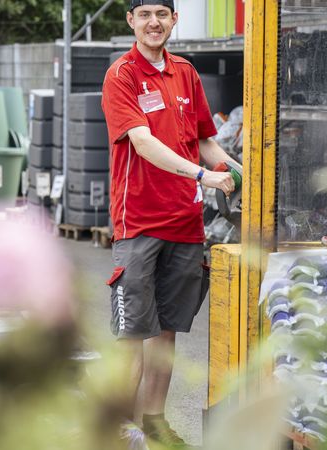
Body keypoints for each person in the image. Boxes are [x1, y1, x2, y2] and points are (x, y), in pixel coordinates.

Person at [101, 0, 239, 448]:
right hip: (139, 224)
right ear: (131, 21)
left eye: (162, 14)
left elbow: (204, 140)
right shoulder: (122, 75)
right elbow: (142, 143)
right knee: (132, 337)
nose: (154, 23)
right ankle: (119, 432)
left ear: (174, 20)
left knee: (165, 333)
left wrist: (238, 171)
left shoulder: (186, 72)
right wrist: (203, 176)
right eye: (144, 15)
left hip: (184, 224)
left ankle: (155, 425)